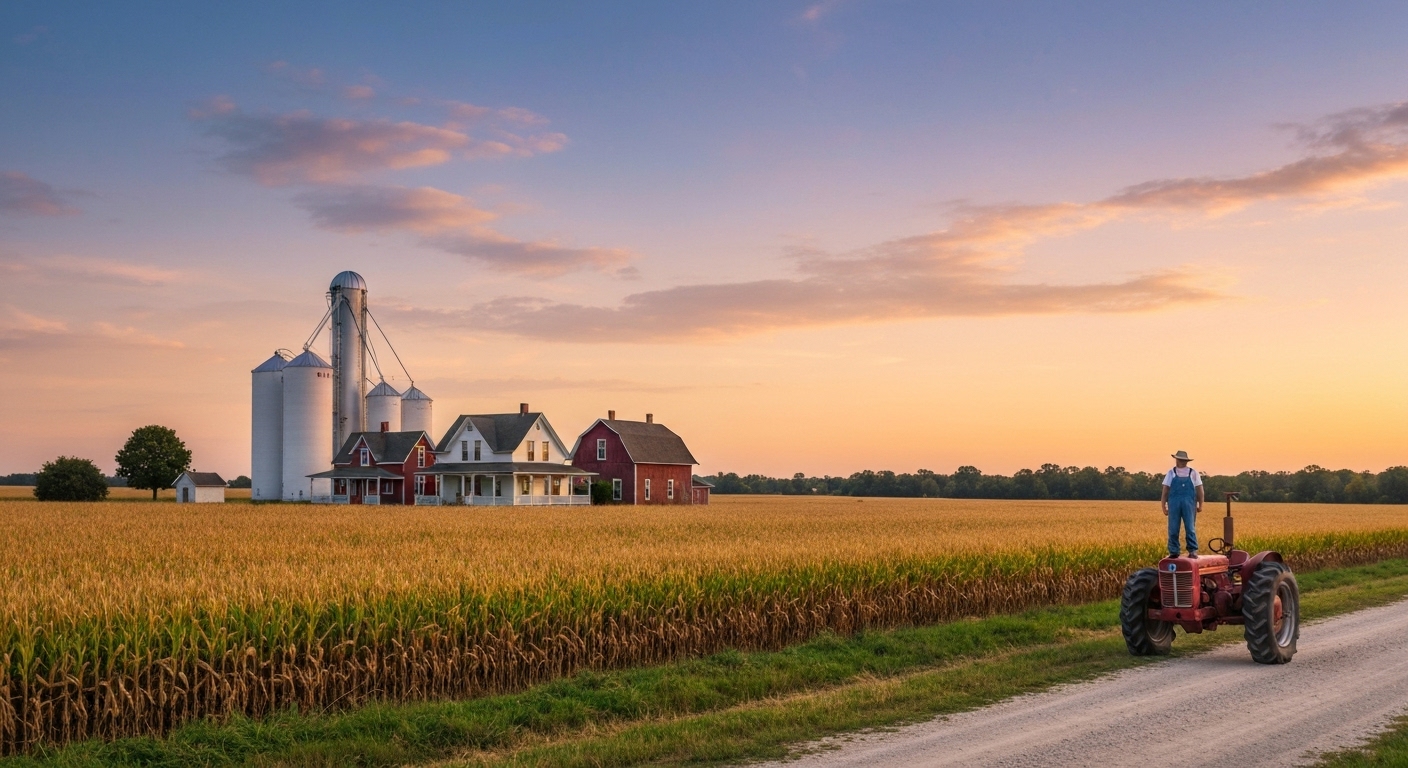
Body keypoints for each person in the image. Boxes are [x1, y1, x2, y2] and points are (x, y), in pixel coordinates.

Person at [1161, 450, 1203, 558]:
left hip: (1189, 503)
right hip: (1174, 503)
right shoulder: (1171, 472)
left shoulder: (1193, 473)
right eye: (1180, 460)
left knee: (1190, 527)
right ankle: (1174, 551)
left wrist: (1200, 504)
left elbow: (1200, 490)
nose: (1181, 462)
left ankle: (1192, 550)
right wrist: (1163, 506)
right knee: (1173, 528)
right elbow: (1165, 490)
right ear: (1176, 460)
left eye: (1183, 460)